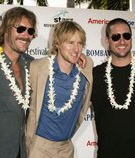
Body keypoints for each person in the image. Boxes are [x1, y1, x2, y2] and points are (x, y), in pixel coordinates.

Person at [26, 20, 93, 158]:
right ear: (57, 43)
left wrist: (79, 56)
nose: (76, 49)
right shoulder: (37, 67)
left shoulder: (86, 69)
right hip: (39, 148)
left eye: (79, 43)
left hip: (66, 148)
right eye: (70, 42)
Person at [0, 7, 37, 158]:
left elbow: (56, 66)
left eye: (30, 31)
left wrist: (78, 58)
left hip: (23, 152)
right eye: (21, 28)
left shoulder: (32, 65)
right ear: (5, 30)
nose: (26, 35)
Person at [91, 18, 135, 158]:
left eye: (126, 36)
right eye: (116, 37)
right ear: (106, 40)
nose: (122, 41)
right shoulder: (95, 75)